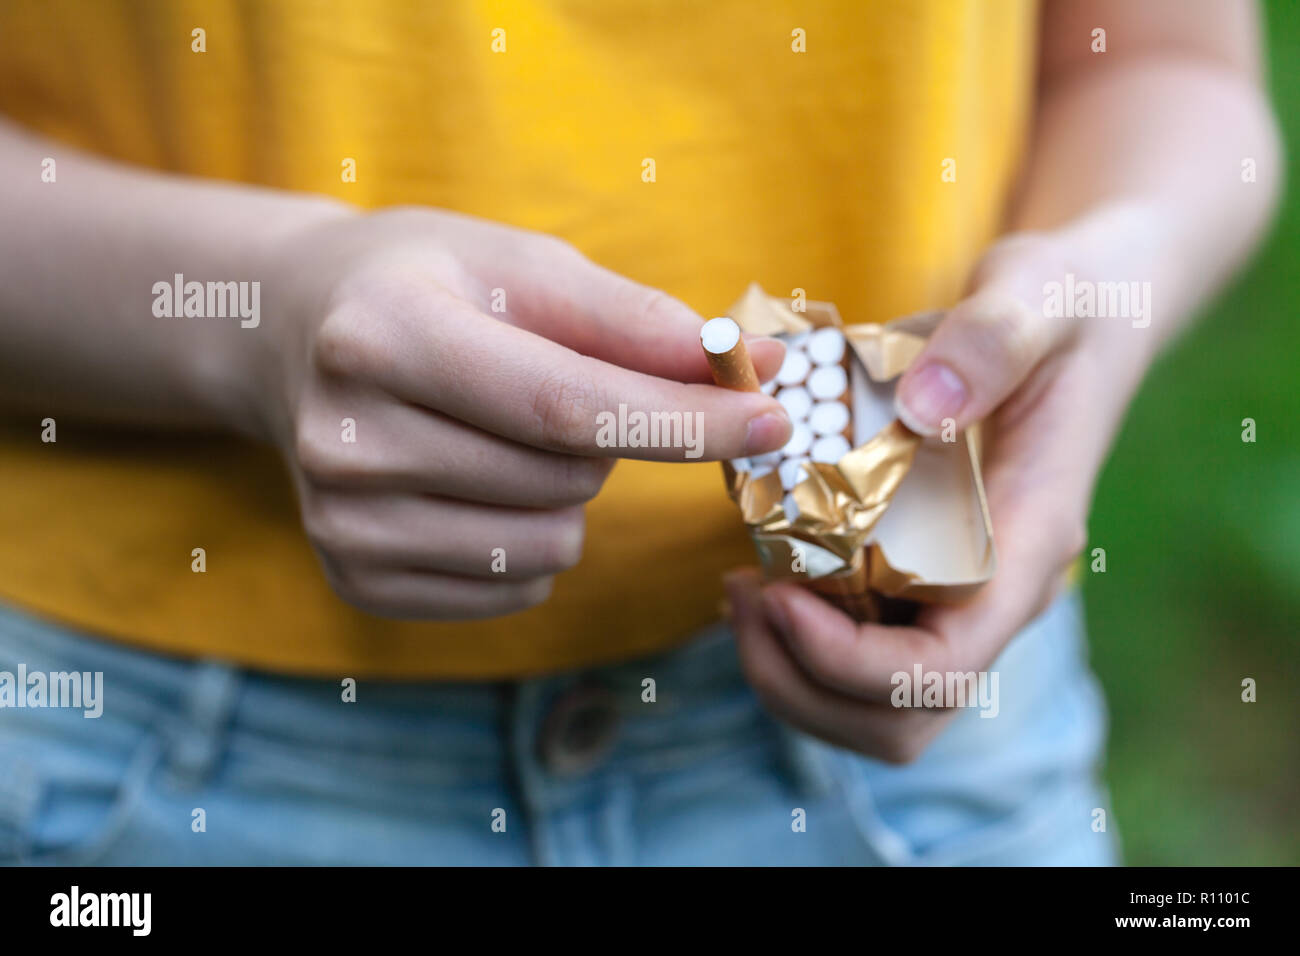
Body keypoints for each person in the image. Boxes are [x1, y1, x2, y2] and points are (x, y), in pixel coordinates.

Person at [0, 0, 1280, 865]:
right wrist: (260, 315)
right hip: (135, 751)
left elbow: (1171, 63)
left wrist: (1101, 288)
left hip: (922, 757)